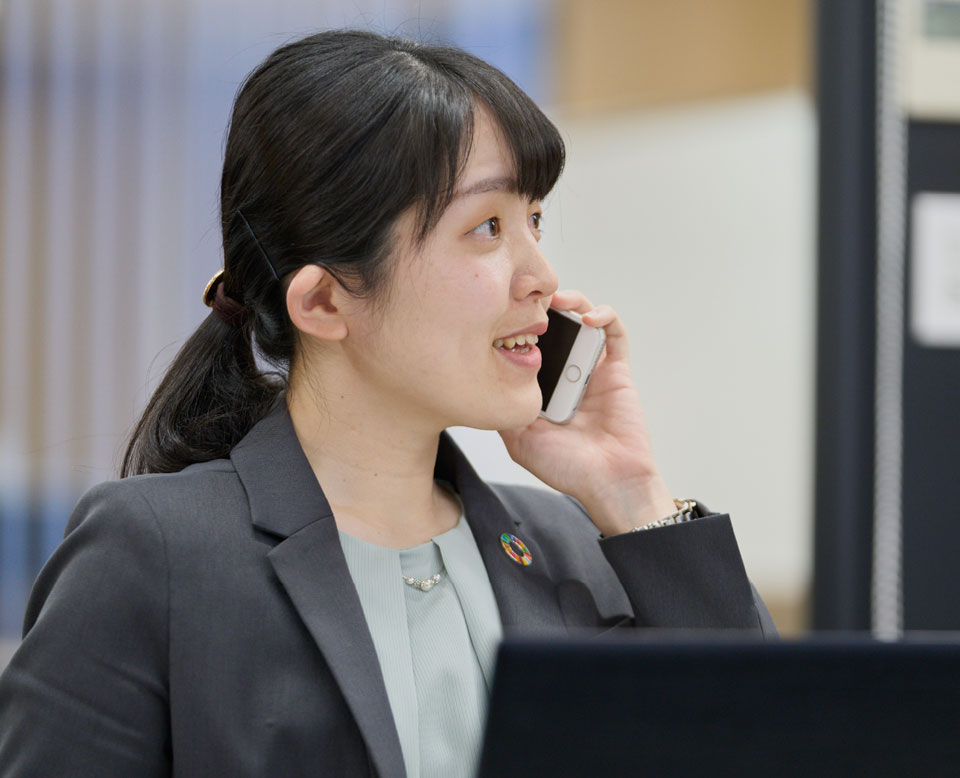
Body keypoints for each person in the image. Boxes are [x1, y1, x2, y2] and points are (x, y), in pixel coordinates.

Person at [0, 30, 774, 777]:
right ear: (325, 302)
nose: (539, 273)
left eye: (533, 219)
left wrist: (632, 495)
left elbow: (771, 746)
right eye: (488, 227)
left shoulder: (567, 545)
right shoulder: (154, 553)